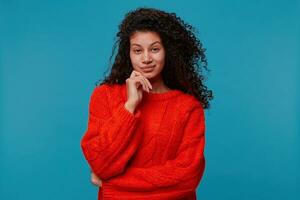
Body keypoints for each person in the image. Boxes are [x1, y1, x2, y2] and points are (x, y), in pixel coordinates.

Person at [80, 7, 213, 200]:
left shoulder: (188, 107)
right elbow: (101, 162)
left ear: (168, 51)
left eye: (154, 49)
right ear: (128, 54)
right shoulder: (105, 96)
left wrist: (112, 183)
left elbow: (187, 176)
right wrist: (130, 106)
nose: (146, 59)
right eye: (137, 50)